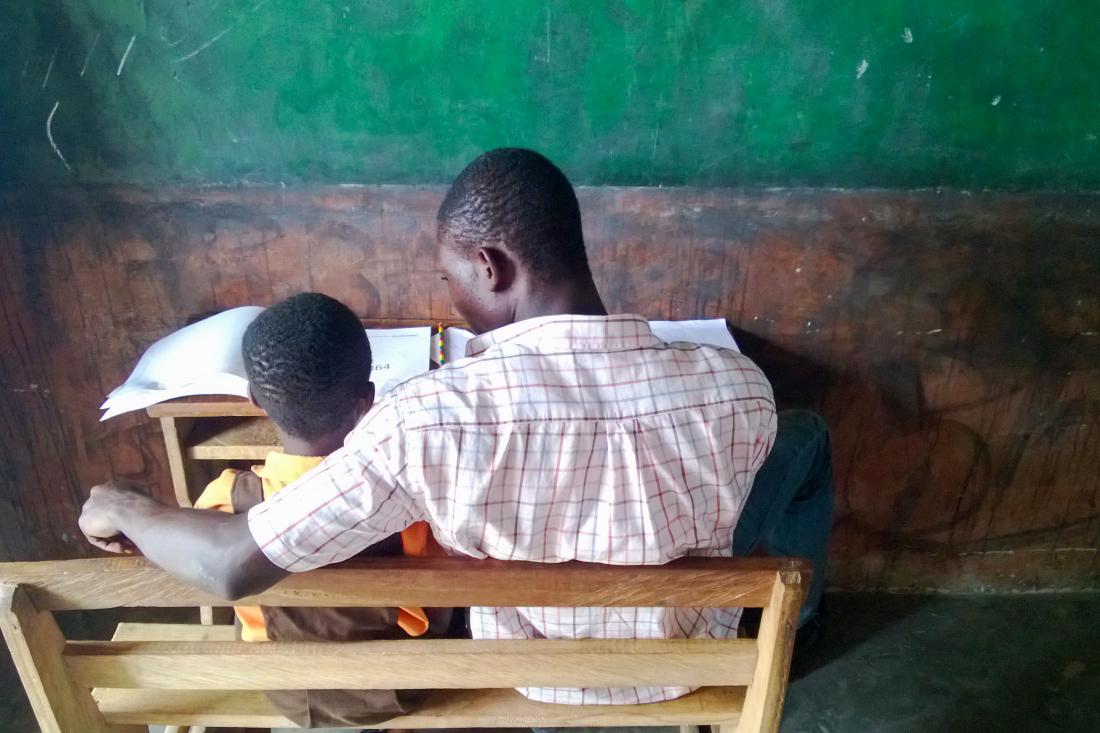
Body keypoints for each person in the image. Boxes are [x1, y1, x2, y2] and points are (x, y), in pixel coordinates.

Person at [80, 148, 831, 707]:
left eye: (451, 277)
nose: (453, 295)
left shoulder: (427, 421)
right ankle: (789, 634)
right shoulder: (737, 386)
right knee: (805, 438)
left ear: (491, 264)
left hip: (544, 687)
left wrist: (125, 505)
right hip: (688, 664)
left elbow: (231, 562)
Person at [194, 291, 449, 728]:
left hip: (285, 691)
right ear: (367, 400)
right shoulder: (410, 507)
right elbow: (439, 613)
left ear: (255, 400)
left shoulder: (223, 500)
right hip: (397, 687)